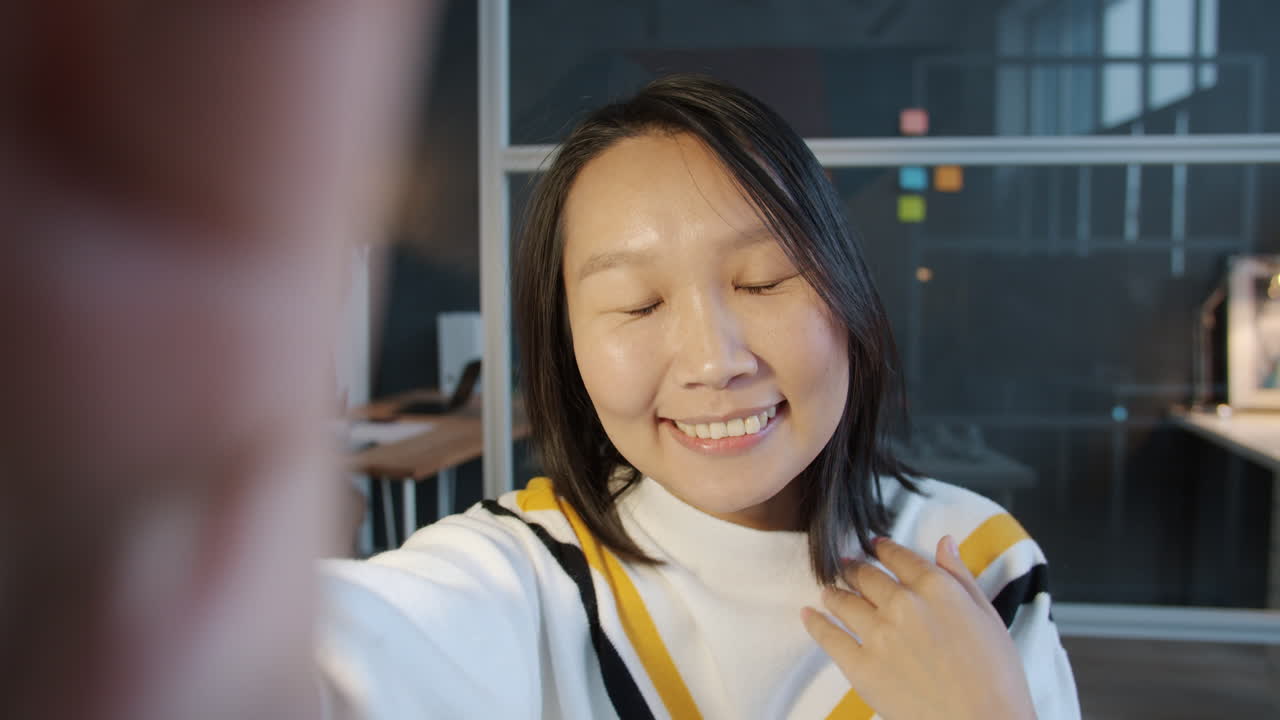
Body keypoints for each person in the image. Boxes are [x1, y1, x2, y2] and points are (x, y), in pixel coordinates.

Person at [319, 74, 1080, 719]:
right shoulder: (526, 573)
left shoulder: (974, 567)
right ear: (569, 345)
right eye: (637, 304)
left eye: (761, 281)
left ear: (846, 290)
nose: (714, 364)